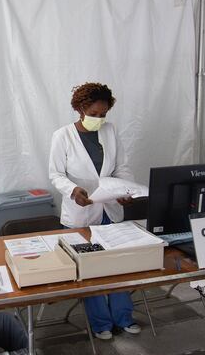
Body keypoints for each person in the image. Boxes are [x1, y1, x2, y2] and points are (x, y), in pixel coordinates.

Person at [48, 82, 141, 340]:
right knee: (92, 268)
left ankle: (124, 317)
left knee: (119, 265)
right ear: (80, 108)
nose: (99, 119)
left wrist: (127, 190)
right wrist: (72, 190)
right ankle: (101, 323)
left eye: (103, 115)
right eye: (95, 114)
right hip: (80, 212)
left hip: (110, 211)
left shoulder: (110, 132)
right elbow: (55, 174)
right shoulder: (62, 136)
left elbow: (121, 167)